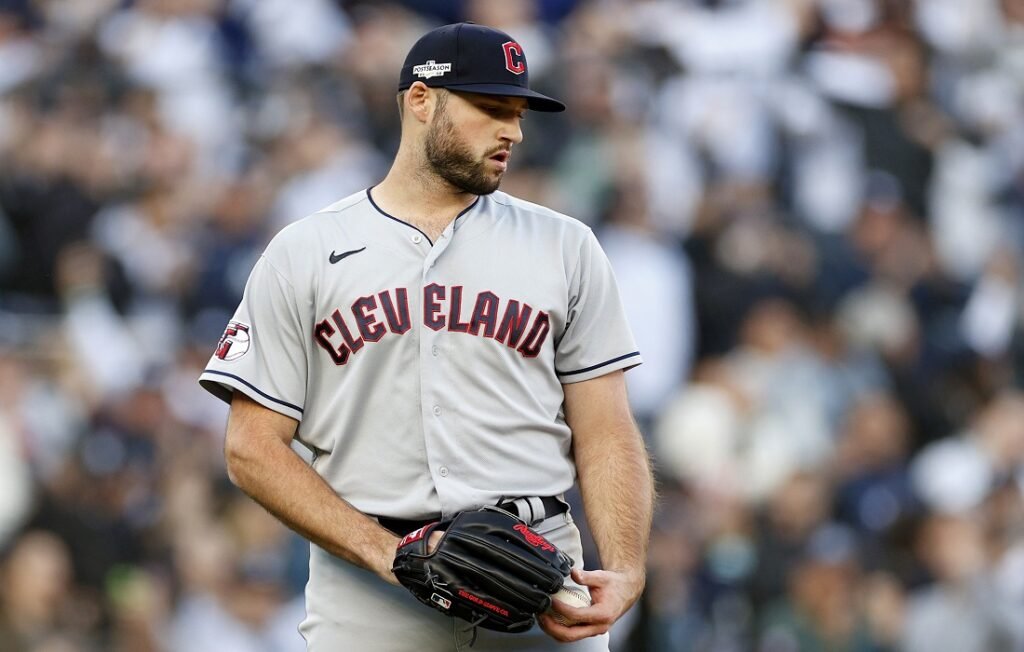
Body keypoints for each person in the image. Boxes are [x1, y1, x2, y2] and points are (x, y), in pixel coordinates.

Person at [199, 22, 653, 651]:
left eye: (519, 114)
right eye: (493, 108)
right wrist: (389, 554)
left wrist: (627, 566)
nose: (513, 132)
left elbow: (607, 431)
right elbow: (250, 449)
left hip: (539, 575)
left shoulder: (566, 246)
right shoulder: (305, 251)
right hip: (370, 592)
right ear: (420, 101)